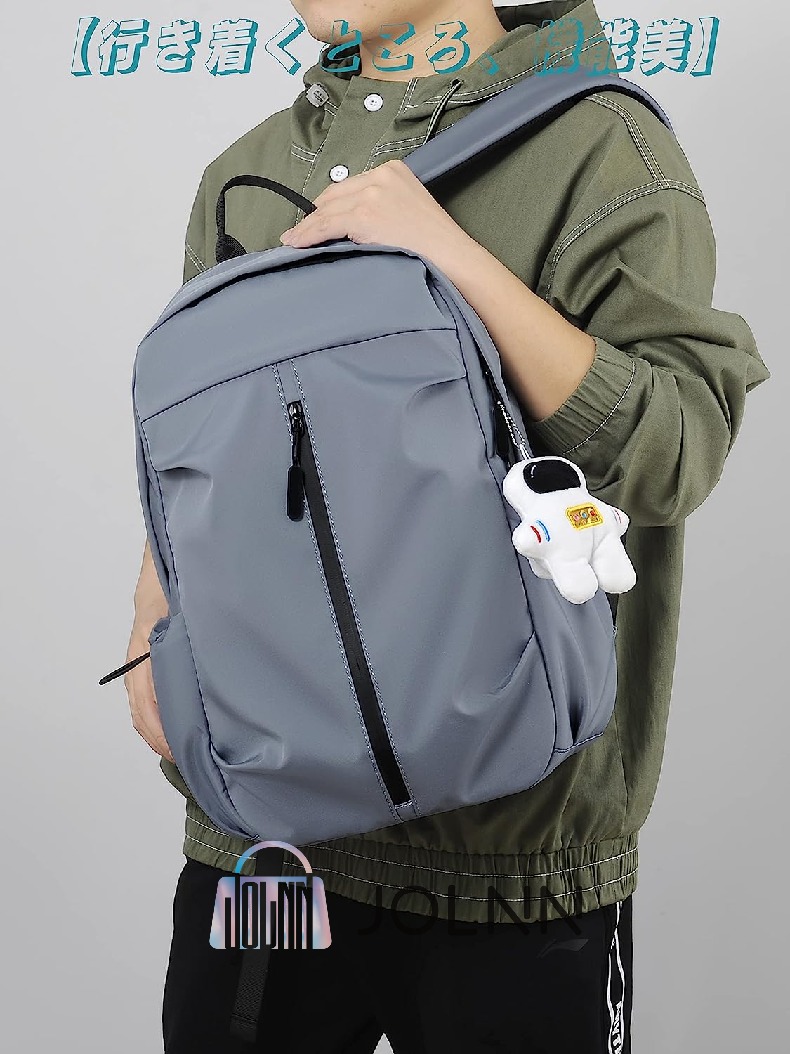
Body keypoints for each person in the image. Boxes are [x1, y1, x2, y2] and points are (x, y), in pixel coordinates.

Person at [123, 2, 770, 1050]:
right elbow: (203, 459)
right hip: (268, 851)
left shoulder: (599, 144)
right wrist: (153, 613)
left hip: (508, 872)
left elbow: (675, 451)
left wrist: (448, 255)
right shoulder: (247, 170)